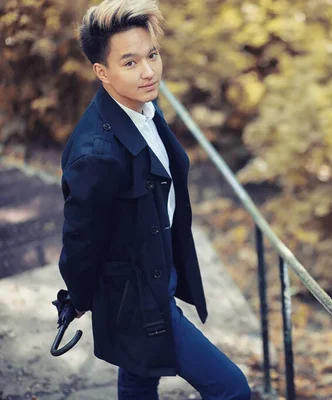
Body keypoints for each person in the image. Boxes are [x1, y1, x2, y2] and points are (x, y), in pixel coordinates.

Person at [58, 0, 252, 398]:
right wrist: (77, 298)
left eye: (152, 55)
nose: (148, 71)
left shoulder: (145, 108)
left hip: (157, 266)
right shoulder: (97, 152)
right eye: (129, 63)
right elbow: (80, 239)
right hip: (140, 297)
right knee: (232, 389)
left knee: (139, 375)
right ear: (102, 72)